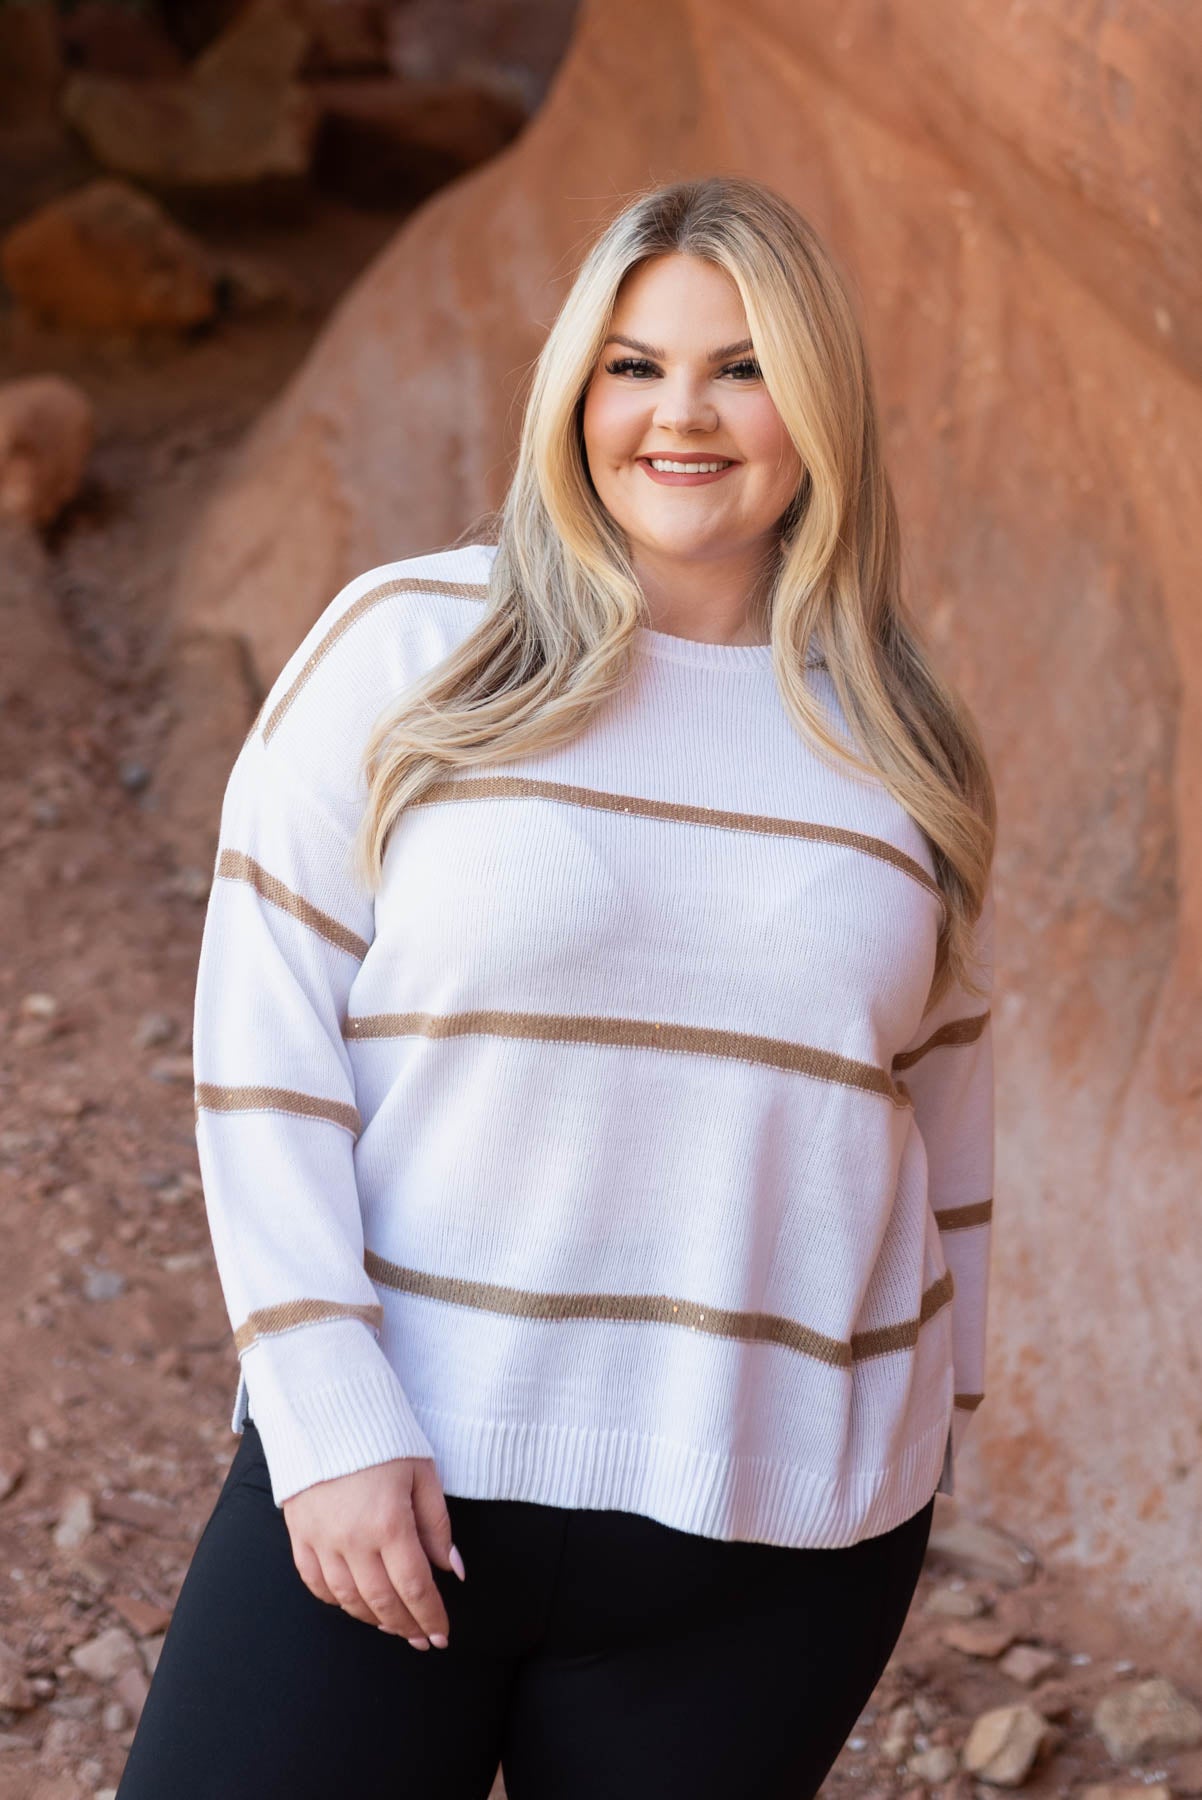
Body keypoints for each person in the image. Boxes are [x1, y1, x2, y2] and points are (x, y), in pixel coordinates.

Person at [116, 173, 997, 1800]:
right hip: (400, 1487)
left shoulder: (898, 743)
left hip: (766, 1551)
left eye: (741, 367)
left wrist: (925, 1430)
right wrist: (324, 1415)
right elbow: (266, 1051)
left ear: (819, 410)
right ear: (572, 391)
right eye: (631, 364)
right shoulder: (410, 647)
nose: (682, 414)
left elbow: (941, 1123)